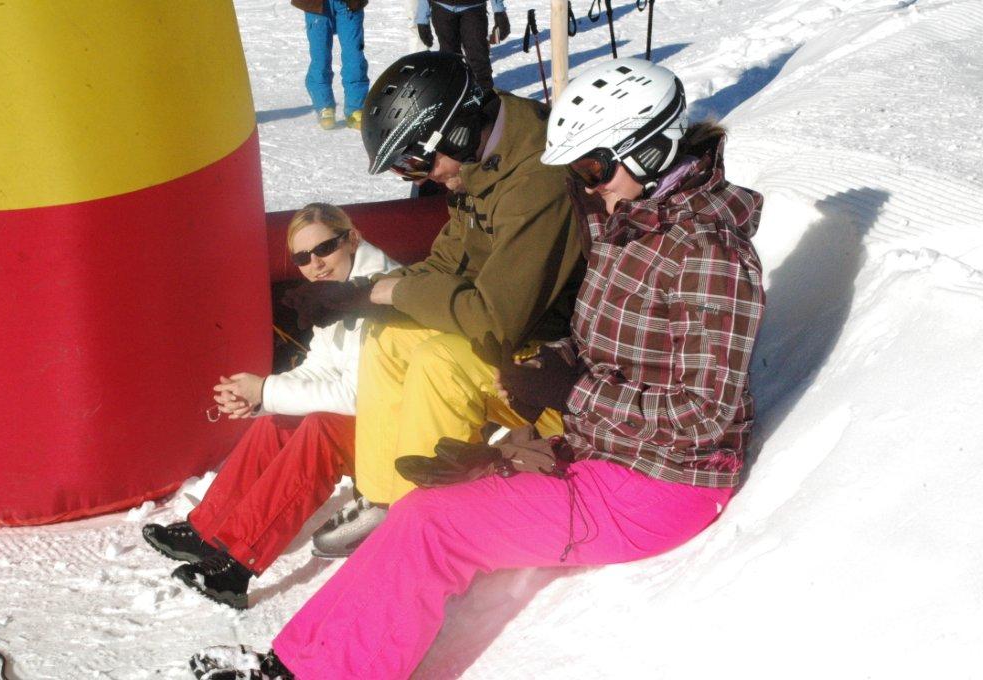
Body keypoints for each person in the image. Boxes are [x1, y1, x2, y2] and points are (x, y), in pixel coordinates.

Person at [187, 57, 765, 679]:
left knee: (434, 527)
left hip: (657, 486)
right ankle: (289, 664)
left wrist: (573, 390)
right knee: (426, 508)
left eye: (593, 168)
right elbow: (618, 347)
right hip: (602, 452)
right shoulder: (633, 224)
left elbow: (706, 416)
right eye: (578, 171)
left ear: (651, 149)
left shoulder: (707, 254)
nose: (586, 187)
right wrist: (538, 404)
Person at [287, 50, 584, 559]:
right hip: (520, 334)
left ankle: (419, 522)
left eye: (415, 161)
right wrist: (364, 293)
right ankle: (383, 496)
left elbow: (494, 319)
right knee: (389, 335)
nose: (419, 178)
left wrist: (392, 292)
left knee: (437, 361)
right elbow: (449, 260)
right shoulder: (480, 164)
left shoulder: (536, 181)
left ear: (456, 131)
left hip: (555, 365)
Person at [141, 203, 398, 609]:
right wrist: (260, 397)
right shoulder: (337, 290)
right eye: (302, 258)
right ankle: (206, 530)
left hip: (403, 427)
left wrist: (266, 390)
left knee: (321, 431)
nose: (315, 264)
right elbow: (320, 367)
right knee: (281, 418)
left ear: (352, 239)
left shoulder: (381, 292)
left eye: (324, 249)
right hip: (376, 413)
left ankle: (238, 565)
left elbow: (356, 393)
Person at [291, 0, 370, 130]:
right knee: (320, 58)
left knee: (354, 58)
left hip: (349, 5)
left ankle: (355, 108)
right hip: (316, 6)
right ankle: (324, 105)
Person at [415, 0, 510, 91]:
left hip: (474, 8)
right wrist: (422, 18)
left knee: (478, 55)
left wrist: (499, 12)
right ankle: (454, 92)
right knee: (449, 57)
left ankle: (484, 92)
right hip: (442, 8)